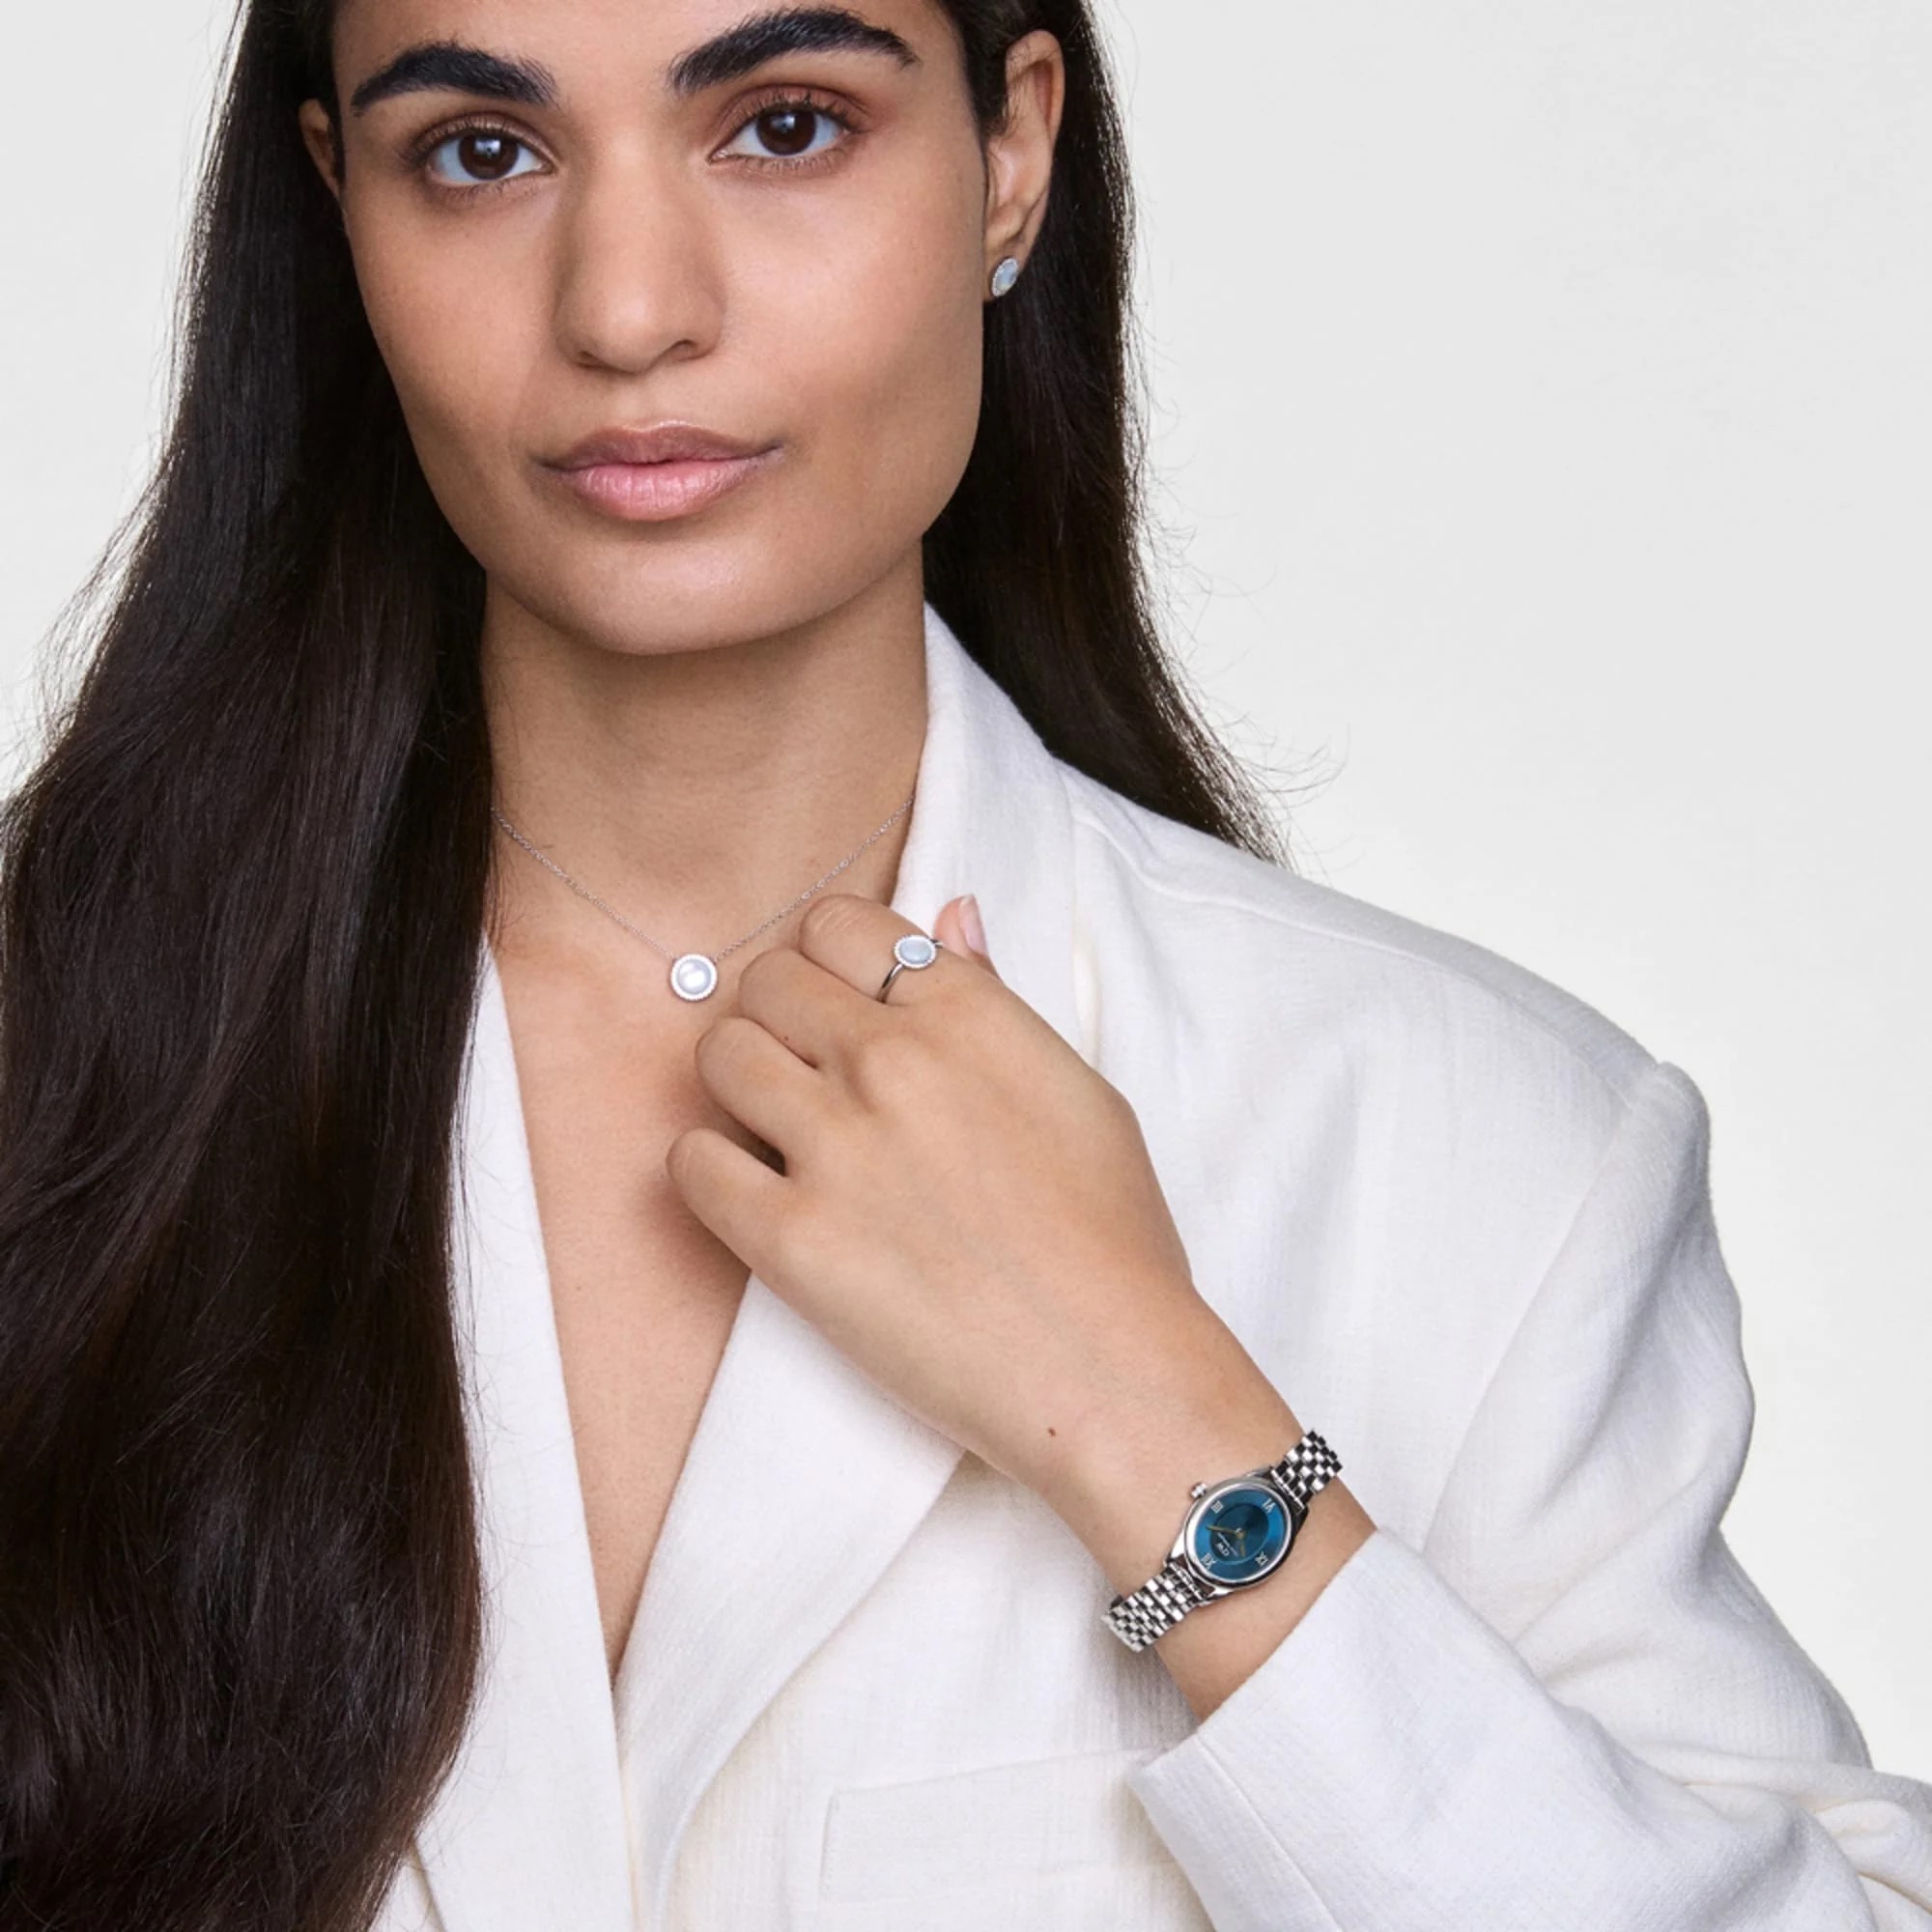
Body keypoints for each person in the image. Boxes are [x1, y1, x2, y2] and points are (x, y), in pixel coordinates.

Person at [1, 0, 1926, 1928]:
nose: (629, 310)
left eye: (784, 125)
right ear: (341, 203)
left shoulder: (1473, 1147)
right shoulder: (48, 1079)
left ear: (1010, 155)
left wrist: (1156, 1422)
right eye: (480, 154)